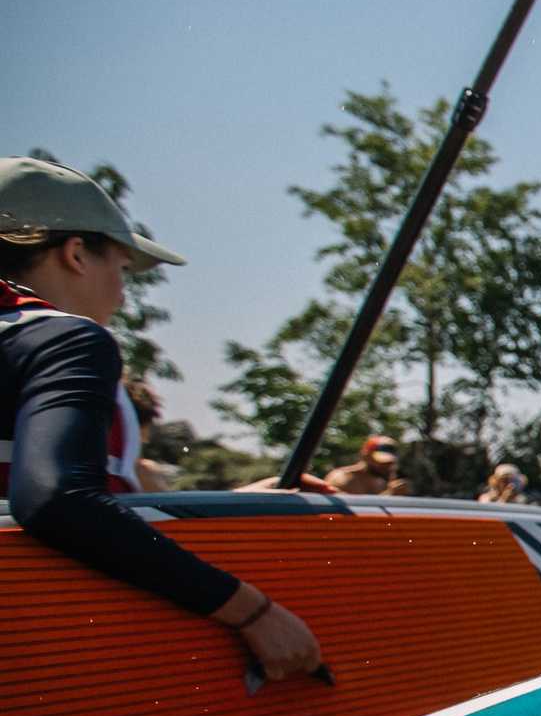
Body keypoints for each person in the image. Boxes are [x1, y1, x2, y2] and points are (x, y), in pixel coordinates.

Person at [2, 157, 326, 682]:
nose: (122, 294)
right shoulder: (63, 340)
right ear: (76, 253)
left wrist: (226, 506)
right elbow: (56, 501)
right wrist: (253, 612)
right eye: (122, 269)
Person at [324, 434, 409, 495]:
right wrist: (387, 495)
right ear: (365, 455)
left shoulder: (381, 485)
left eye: (389, 462)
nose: (386, 466)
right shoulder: (342, 478)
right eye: (382, 460)